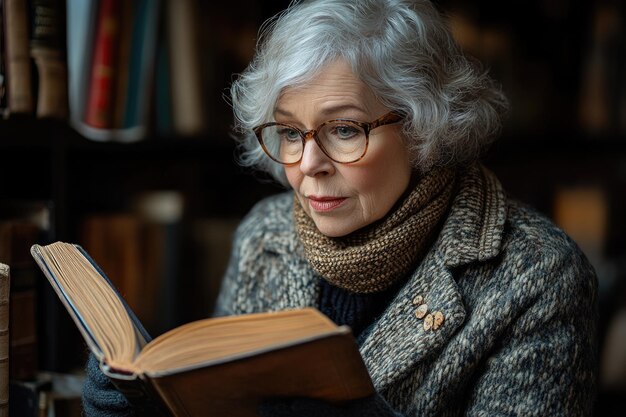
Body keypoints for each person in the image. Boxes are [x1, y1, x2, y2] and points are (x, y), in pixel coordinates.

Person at [82, 0, 599, 416]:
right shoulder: (265, 235)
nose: (309, 164)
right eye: (289, 131)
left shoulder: (539, 273)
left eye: (345, 129)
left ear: (424, 128)